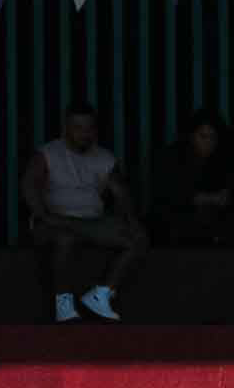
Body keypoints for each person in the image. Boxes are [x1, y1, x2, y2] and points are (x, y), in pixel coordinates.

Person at [21, 103, 149, 322]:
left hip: (91, 223)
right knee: (65, 237)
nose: (84, 133)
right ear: (66, 128)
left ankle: (102, 294)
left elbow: (121, 193)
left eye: (89, 128)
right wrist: (43, 215)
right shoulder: (48, 153)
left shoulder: (104, 157)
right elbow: (29, 184)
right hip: (55, 222)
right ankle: (63, 304)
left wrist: (130, 220)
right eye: (77, 127)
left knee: (139, 238)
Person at [147, 109, 234, 246]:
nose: (208, 142)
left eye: (213, 137)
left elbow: (232, 193)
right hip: (179, 222)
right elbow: (167, 194)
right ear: (191, 136)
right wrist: (201, 198)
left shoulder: (224, 157)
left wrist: (224, 197)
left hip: (213, 221)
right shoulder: (173, 157)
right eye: (203, 136)